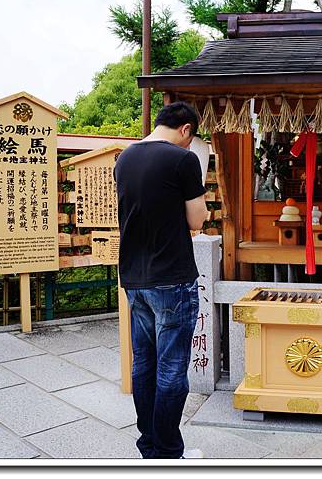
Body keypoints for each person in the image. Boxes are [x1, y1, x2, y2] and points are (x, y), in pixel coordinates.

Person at [114, 102, 209, 459]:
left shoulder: (124, 158)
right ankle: (169, 451)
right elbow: (196, 220)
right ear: (186, 129)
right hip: (171, 277)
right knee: (171, 368)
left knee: (144, 363)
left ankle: (149, 444)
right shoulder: (183, 160)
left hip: (134, 277)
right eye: (191, 138)